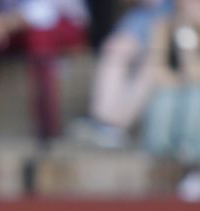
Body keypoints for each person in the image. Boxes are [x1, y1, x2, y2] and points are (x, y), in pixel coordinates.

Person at [0, 0, 92, 140]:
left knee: (40, 37)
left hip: (64, 24)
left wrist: (5, 23)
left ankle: (48, 129)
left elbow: (44, 13)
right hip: (7, 29)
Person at [140, 0, 200, 164]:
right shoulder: (164, 24)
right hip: (175, 91)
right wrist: (181, 82)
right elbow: (157, 70)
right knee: (164, 100)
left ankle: (194, 164)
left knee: (196, 97)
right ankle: (160, 161)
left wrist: (187, 36)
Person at [72, 0, 170, 148]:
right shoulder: (140, 16)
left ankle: (115, 128)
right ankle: (101, 121)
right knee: (115, 48)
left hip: (178, 24)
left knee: (152, 65)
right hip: (144, 16)